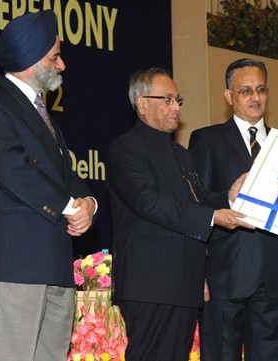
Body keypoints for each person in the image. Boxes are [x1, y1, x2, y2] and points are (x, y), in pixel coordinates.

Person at [0, 10, 97, 361]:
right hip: (14, 266)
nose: (63, 65)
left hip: (54, 265)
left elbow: (67, 173)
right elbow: (14, 169)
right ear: (29, 59)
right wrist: (70, 208)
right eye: (55, 56)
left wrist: (87, 203)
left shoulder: (42, 114)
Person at [107, 67, 253, 361]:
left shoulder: (182, 154)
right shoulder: (125, 148)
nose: (176, 107)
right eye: (168, 100)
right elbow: (150, 203)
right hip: (149, 283)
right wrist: (213, 217)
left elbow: (194, 202)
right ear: (142, 103)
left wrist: (227, 196)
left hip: (185, 282)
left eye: (178, 100)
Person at [189, 58, 278, 361]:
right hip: (224, 276)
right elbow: (196, 205)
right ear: (229, 96)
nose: (255, 97)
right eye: (245, 91)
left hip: (275, 277)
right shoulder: (206, 140)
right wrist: (228, 199)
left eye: (261, 89)